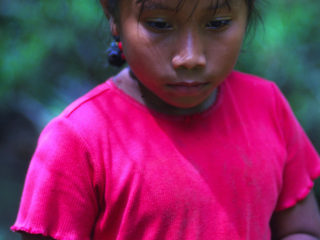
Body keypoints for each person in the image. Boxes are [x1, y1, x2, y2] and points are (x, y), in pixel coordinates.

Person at [11, 0, 320, 239]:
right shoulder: (78, 139)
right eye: (159, 24)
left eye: (217, 23)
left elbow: (300, 228)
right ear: (113, 14)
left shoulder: (267, 107)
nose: (190, 57)